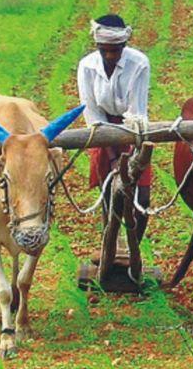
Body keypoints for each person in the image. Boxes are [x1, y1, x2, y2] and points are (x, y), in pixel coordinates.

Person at [77, 13, 152, 245]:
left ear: (124, 45)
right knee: (110, 192)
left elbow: (136, 111)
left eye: (116, 50)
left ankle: (133, 249)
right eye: (105, 50)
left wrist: (130, 157)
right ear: (98, 46)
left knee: (141, 197)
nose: (110, 55)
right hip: (101, 130)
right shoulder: (87, 66)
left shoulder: (139, 63)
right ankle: (110, 244)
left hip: (133, 128)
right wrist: (110, 156)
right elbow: (92, 112)